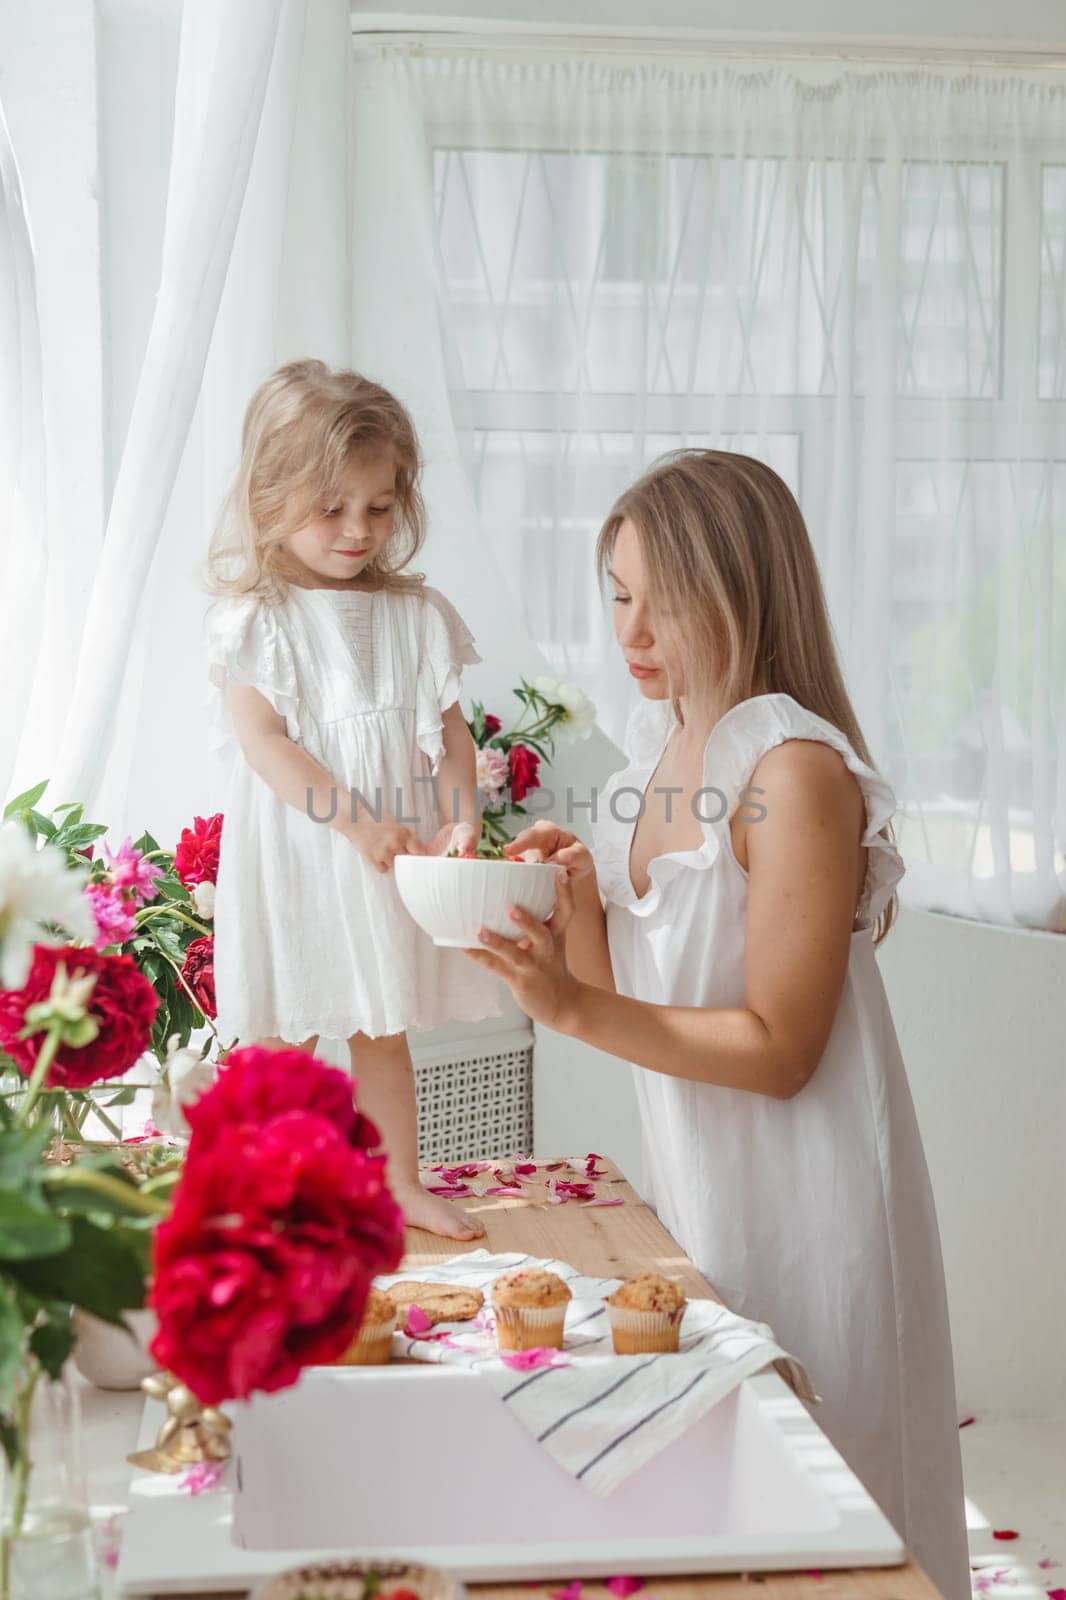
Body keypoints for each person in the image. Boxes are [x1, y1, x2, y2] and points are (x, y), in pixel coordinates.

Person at [466, 450, 969, 1600]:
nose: (631, 630)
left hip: (817, 1205)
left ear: (741, 591)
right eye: (618, 593)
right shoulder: (658, 761)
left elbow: (782, 1052)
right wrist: (569, 910)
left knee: (841, 1513)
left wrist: (574, 998)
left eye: (665, 597)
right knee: (735, 1509)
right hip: (707, 1196)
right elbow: (619, 993)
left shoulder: (791, 769)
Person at [202, 358, 501, 1240]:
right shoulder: (261, 618)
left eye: (378, 506)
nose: (357, 529)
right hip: (308, 848)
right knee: (287, 1028)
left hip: (393, 851)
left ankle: (397, 1182)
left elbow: (449, 738)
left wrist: (461, 819)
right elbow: (266, 743)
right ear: (270, 500)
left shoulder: (416, 616)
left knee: (383, 1024)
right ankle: (253, 1195)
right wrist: (357, 822)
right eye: (330, 508)